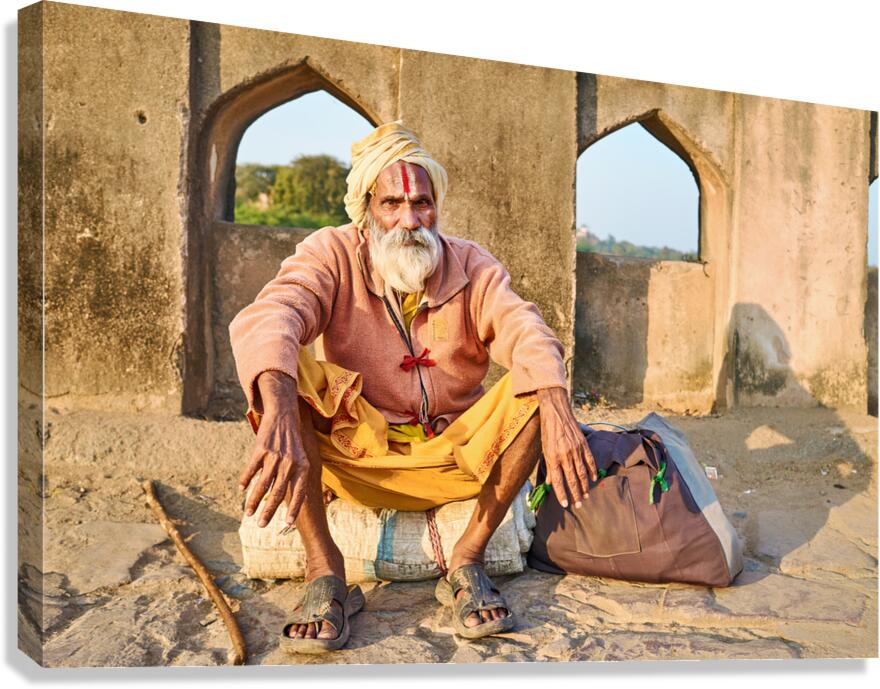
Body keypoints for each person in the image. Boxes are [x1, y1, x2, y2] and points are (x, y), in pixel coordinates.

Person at [229, 121, 596, 653]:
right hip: (360, 455)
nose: (409, 220)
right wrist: (280, 408)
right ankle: (324, 569)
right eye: (391, 204)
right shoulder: (332, 253)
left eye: (422, 204)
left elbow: (525, 329)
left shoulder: (470, 263)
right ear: (365, 210)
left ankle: (467, 560)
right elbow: (274, 312)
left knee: (535, 386)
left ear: (437, 206)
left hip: (457, 456)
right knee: (287, 375)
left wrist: (559, 408)